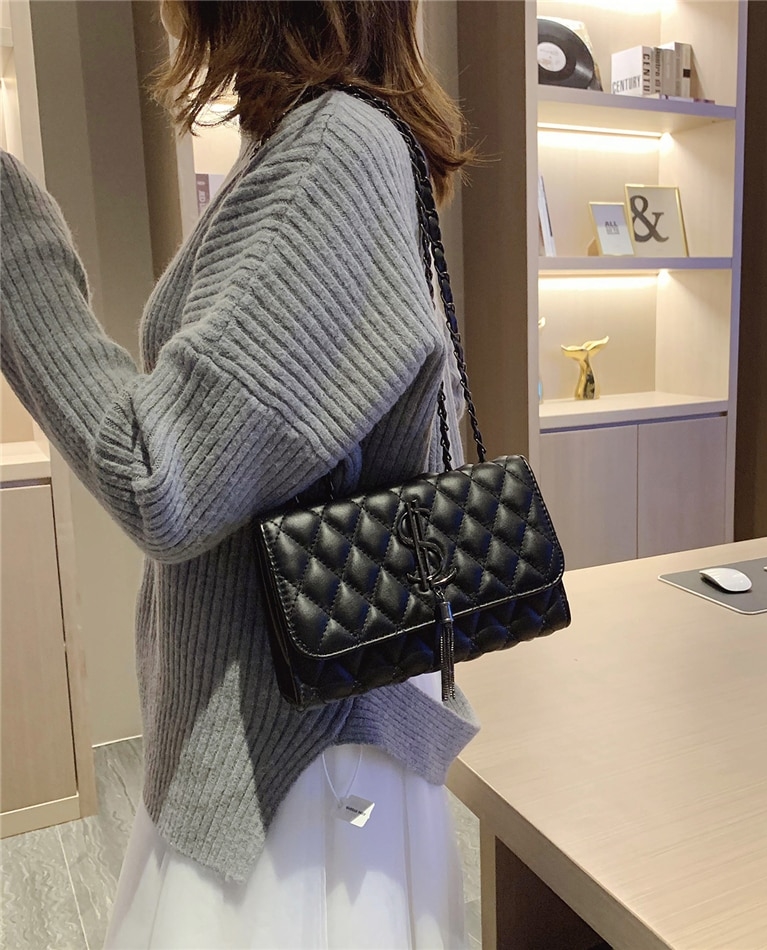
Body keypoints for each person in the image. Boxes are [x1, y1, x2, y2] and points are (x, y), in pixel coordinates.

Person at [0, 1, 480, 946]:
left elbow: (161, 477)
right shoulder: (324, 142)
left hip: (295, 760)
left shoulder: (336, 151)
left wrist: (14, 243)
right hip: (302, 728)